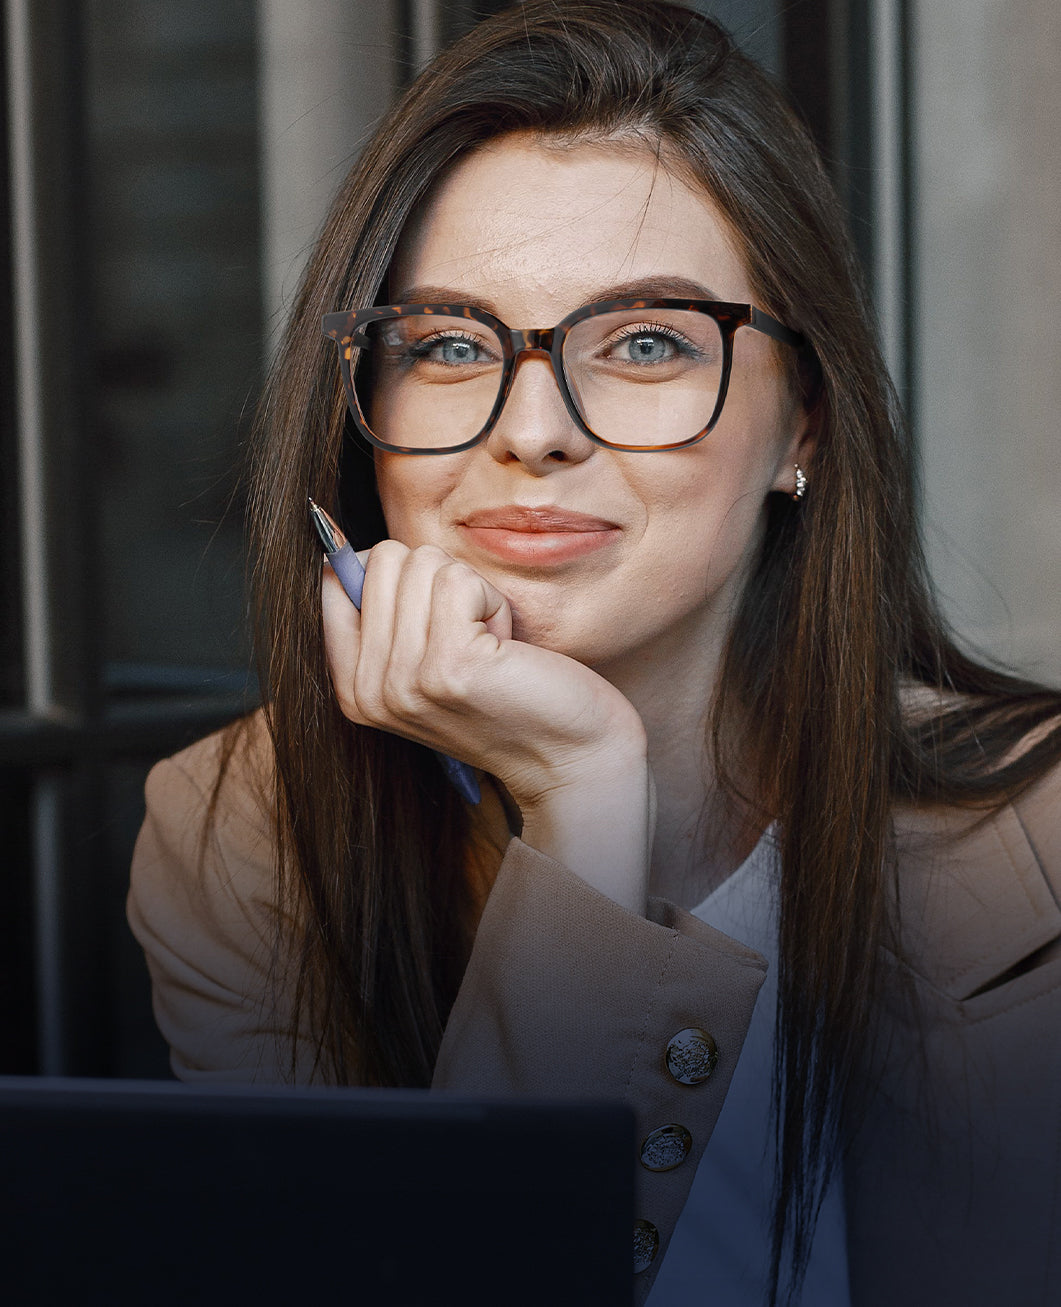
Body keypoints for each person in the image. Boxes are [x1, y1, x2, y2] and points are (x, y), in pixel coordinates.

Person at [127, 3, 1061, 1304]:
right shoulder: (238, 833)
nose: (533, 431)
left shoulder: (1044, 832)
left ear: (802, 425)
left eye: (644, 344)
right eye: (451, 345)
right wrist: (579, 801)